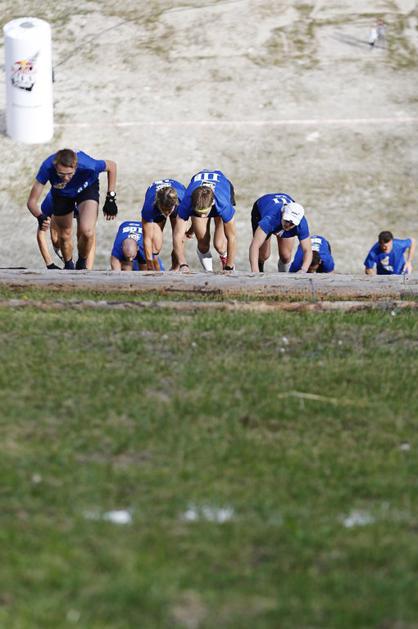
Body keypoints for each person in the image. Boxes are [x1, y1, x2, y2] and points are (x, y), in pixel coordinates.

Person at [27, 148, 117, 270]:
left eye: (69, 174)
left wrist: (110, 197)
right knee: (64, 235)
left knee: (87, 231)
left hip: (86, 189)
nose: (66, 178)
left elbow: (112, 166)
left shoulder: (88, 165)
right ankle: (69, 265)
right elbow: (31, 202)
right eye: (61, 174)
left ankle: (82, 263)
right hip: (62, 194)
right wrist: (39, 216)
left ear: (75, 166)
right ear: (55, 166)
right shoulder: (47, 166)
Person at [173, 169, 236, 272]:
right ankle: (208, 272)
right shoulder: (186, 203)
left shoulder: (223, 205)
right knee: (203, 244)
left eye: (204, 212)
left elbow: (232, 237)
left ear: (212, 203)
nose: (202, 216)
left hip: (222, 190)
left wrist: (229, 266)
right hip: (200, 196)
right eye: (198, 212)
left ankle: (225, 259)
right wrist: (183, 264)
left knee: (220, 245)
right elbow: (177, 236)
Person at [249, 193, 312, 273]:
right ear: (283, 213)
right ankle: (260, 268)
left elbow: (307, 250)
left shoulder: (301, 224)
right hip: (263, 207)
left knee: (286, 256)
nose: (288, 225)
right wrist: (255, 272)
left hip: (281, 208)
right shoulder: (269, 220)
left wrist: (303, 270)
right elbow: (254, 246)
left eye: (292, 224)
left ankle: (284, 277)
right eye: (287, 220)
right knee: (264, 255)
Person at [36, 192, 96, 270]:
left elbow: (90, 236)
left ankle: (80, 263)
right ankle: (69, 263)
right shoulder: (50, 202)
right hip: (58, 207)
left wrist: (88, 268)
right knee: (56, 239)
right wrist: (50, 264)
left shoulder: (84, 202)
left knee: (86, 232)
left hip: (81, 204)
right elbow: (41, 234)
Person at [140, 179, 186, 271]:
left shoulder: (184, 201)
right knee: (155, 247)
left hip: (178, 206)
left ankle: (175, 269)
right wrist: (149, 264)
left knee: (179, 239)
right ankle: (156, 268)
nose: (167, 213)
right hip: (157, 207)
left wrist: (190, 231)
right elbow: (147, 238)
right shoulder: (149, 207)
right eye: (164, 210)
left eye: (169, 210)